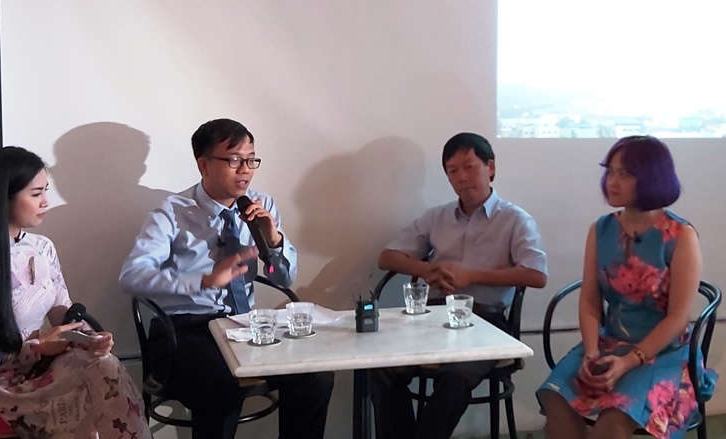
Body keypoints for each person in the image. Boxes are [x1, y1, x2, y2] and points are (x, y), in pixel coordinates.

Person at [119, 118, 334, 439]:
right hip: (184, 331)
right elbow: (131, 276)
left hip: (244, 327)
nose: (245, 170)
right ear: (203, 164)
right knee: (222, 382)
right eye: (234, 160)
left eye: (251, 160)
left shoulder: (261, 205)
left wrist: (274, 240)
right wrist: (203, 280)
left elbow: (283, 278)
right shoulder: (172, 212)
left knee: (314, 374)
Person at [0, 146, 150, 438]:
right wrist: (34, 347)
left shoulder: (42, 248)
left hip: (37, 367)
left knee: (102, 364)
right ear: (4, 197)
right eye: (36, 194)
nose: (46, 202)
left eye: (45, 191)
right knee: (96, 384)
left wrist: (89, 338)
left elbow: (62, 311)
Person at [537, 135, 718, 439]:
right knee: (553, 396)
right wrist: (591, 352)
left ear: (651, 178)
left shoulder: (680, 235)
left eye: (624, 174)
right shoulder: (601, 228)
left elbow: (678, 319)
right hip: (609, 344)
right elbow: (590, 300)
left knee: (614, 419)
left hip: (665, 354)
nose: (612, 181)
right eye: (610, 172)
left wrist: (628, 361)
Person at [370, 132, 548, 439]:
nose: (462, 177)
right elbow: (387, 257)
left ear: (490, 167)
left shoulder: (515, 219)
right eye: (453, 171)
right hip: (431, 318)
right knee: (381, 366)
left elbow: (536, 275)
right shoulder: (437, 217)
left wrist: (472, 276)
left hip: (485, 322)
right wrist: (426, 269)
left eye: (469, 167)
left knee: (454, 376)